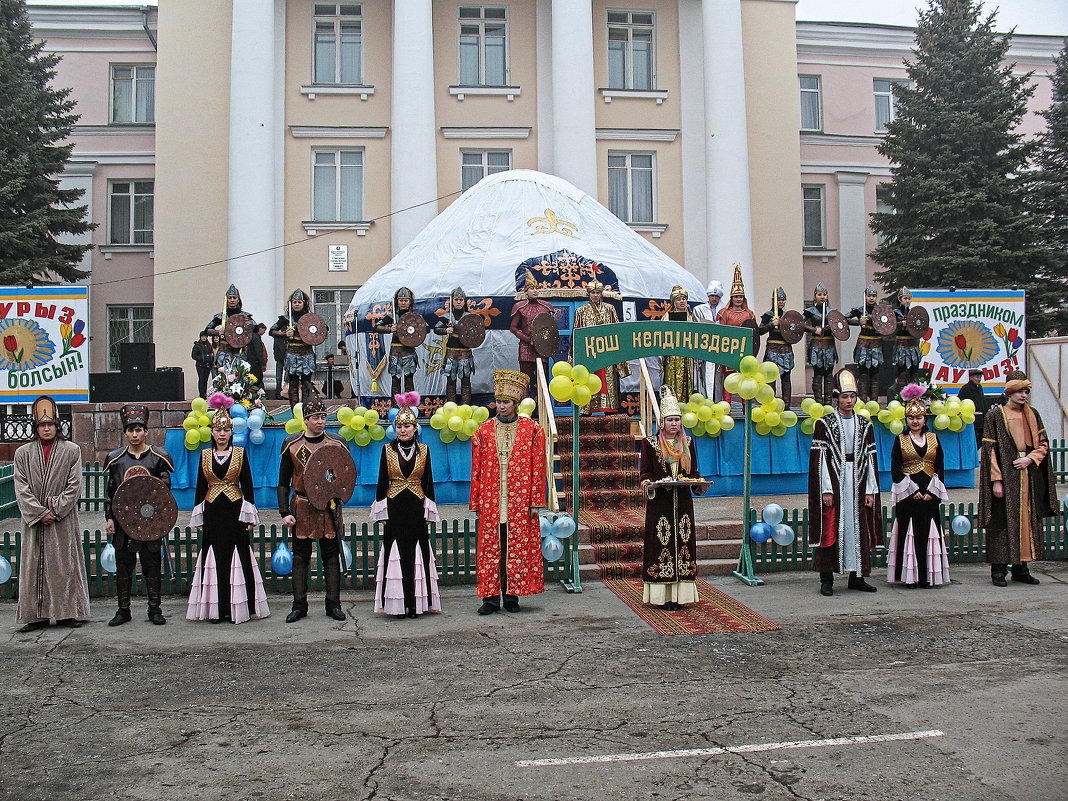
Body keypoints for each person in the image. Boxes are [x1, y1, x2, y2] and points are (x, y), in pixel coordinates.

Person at [470, 369, 547, 614]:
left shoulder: (533, 430)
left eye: (505, 402)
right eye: (498, 402)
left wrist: (536, 500)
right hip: (492, 499)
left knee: (517, 546)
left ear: (515, 404)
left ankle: (512, 597)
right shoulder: (482, 431)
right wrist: (477, 502)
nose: (500, 406)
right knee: (491, 548)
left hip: (520, 499)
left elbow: (538, 467)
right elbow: (477, 470)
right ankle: (490, 599)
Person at [13, 396, 90, 632]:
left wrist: (55, 510)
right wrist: (38, 512)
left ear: (58, 426)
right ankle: (37, 616)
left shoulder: (72, 451)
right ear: (35, 428)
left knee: (64, 565)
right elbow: (21, 486)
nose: (47, 429)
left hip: (62, 519)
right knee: (33, 566)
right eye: (42, 425)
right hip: (35, 521)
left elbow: (74, 485)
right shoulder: (22, 453)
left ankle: (67, 613)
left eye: (51, 425)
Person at [187, 408, 270, 624]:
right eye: (217, 429)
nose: (221, 433)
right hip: (213, 511)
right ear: (212, 432)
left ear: (231, 432)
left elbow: (248, 485)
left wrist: (249, 515)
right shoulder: (205, 455)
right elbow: (199, 486)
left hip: (235, 510)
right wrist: (199, 515)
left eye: (225, 430)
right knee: (214, 556)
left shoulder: (240, 453)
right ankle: (217, 609)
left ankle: (239, 608)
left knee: (237, 555)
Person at [978, 370, 1057, 587]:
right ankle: (999, 571)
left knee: (1027, 521)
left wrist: (1031, 459)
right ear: (1010, 391)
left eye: (1026, 392)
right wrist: (996, 480)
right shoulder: (995, 415)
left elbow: (1043, 443)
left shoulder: (1033, 414)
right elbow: (989, 449)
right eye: (1021, 391)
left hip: (1027, 475)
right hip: (1006, 475)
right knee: (1003, 521)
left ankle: (1022, 569)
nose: (1024, 396)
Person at [807, 368, 882, 596]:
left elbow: (870, 458)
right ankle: (826, 579)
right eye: (845, 397)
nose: (849, 401)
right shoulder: (824, 423)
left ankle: (857, 577)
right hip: (836, 481)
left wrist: (871, 490)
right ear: (835, 398)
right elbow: (820, 460)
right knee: (830, 529)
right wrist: (826, 490)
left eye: (852, 396)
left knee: (859, 527)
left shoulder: (864, 424)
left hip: (857, 481)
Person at [370, 393, 442, 618]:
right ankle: (397, 604)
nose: (402, 430)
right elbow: (382, 481)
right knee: (396, 552)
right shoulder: (387, 450)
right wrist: (381, 510)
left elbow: (428, 481)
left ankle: (416, 604)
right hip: (395, 505)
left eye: (407, 426)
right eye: (399, 426)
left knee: (417, 551)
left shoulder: (425, 450)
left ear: (415, 427)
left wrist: (429, 510)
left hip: (417, 504)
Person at [278, 397, 348, 622]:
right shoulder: (293, 444)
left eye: (323, 417)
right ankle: (299, 606)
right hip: (302, 504)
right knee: (300, 557)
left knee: (330, 555)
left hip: (329, 505)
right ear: (305, 420)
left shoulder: (336, 443)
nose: (320, 421)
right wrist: (284, 512)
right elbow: (283, 481)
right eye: (315, 417)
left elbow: (344, 476)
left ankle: (333, 604)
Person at [104, 404, 175, 626]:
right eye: (130, 430)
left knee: (152, 567)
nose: (135, 434)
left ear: (146, 431)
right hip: (123, 522)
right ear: (125, 433)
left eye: (139, 430)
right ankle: (123, 610)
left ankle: (155, 609)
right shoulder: (115, 460)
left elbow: (164, 494)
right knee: (123, 567)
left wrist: (161, 520)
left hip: (150, 523)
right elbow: (111, 492)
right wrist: (109, 517)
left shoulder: (158, 458)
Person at [639, 386, 709, 610]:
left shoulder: (687, 444)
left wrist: (699, 485)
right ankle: (663, 595)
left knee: (684, 545)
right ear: (662, 422)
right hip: (660, 505)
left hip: (683, 505)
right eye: (670, 419)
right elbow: (645, 474)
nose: (674, 424)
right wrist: (649, 483)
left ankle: (681, 594)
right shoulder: (650, 444)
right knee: (661, 544)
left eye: (677, 419)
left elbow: (693, 474)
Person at [886, 399, 950, 589]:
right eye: (911, 418)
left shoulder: (934, 438)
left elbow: (940, 465)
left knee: (928, 533)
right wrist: (911, 491)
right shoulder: (900, 440)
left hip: (929, 493)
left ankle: (926, 577)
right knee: (910, 533)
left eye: (918, 417)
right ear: (906, 420)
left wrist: (933, 492)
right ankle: (910, 577)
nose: (915, 421)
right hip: (909, 496)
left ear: (925, 419)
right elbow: (896, 468)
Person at [571, 279, 630, 414]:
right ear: (589, 294)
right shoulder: (581, 311)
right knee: (588, 380)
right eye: (593, 293)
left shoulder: (610, 309)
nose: (596, 295)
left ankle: (610, 409)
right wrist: (575, 358)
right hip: (589, 354)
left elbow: (617, 331)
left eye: (598, 292)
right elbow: (576, 334)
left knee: (607, 380)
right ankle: (587, 410)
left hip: (607, 353)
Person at [509, 270, 556, 398]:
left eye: (536, 288)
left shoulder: (546, 307)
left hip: (542, 348)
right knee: (525, 379)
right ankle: (526, 409)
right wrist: (527, 339)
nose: (535, 291)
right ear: (526, 292)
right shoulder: (520, 307)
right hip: (525, 348)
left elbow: (551, 328)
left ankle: (540, 409)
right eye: (532, 289)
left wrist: (544, 342)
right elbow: (513, 328)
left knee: (542, 378)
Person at [270, 289, 319, 410]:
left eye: (299, 302)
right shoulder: (285, 319)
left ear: (304, 303)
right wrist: (284, 334)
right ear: (291, 304)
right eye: (294, 302)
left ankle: (307, 409)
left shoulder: (311, 318)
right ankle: (295, 410)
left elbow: (323, 329)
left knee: (307, 383)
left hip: (307, 353)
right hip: (292, 354)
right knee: (293, 384)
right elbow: (272, 331)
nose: (296, 304)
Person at [716, 265, 758, 404]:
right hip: (729, 351)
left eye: (741, 297)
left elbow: (754, 334)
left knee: (745, 383)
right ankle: (727, 409)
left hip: (745, 354)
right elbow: (721, 333)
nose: (738, 299)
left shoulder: (749, 314)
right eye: (736, 297)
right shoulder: (725, 313)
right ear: (731, 298)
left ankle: (746, 410)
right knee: (729, 382)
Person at [374, 287, 420, 399]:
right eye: (401, 300)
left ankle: (410, 409)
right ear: (397, 302)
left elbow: (425, 329)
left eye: (406, 300)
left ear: (410, 302)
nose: (403, 303)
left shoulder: (414, 317)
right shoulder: (392, 316)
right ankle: (396, 410)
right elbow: (377, 326)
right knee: (395, 382)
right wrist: (390, 329)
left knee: (409, 382)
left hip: (409, 351)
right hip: (396, 352)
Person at [434, 287, 476, 405]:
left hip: (465, 352)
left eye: (461, 300)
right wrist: (446, 330)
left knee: (466, 382)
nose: (458, 302)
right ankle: (451, 407)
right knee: (451, 381)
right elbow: (436, 329)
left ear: (464, 301)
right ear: (452, 301)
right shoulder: (447, 317)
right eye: (456, 299)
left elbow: (476, 332)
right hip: (451, 351)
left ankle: (465, 408)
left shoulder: (470, 317)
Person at [205, 284, 257, 376]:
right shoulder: (220, 317)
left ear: (238, 299)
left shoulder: (244, 316)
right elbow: (207, 330)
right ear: (226, 300)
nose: (232, 300)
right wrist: (218, 332)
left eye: (234, 298)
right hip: (224, 352)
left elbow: (255, 328)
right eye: (230, 298)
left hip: (239, 353)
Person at [846, 284, 884, 403]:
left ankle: (874, 401)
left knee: (875, 375)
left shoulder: (881, 311)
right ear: (865, 296)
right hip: (863, 343)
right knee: (863, 374)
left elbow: (890, 323)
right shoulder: (859, 310)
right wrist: (858, 322)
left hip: (877, 343)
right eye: (869, 296)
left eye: (873, 296)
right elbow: (843, 319)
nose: (871, 298)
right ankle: (862, 401)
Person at [803, 283, 838, 405]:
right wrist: (814, 330)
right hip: (816, 345)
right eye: (819, 294)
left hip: (829, 345)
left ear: (827, 296)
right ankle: (818, 402)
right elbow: (799, 324)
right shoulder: (810, 311)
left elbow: (841, 324)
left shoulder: (832, 312)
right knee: (818, 375)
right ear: (815, 296)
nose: (822, 297)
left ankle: (828, 403)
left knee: (829, 375)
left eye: (824, 294)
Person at [757, 286, 794, 404]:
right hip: (773, 348)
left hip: (786, 348)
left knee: (786, 378)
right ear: (774, 300)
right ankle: (770, 403)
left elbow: (795, 331)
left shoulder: (789, 315)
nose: (781, 302)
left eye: (783, 300)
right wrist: (772, 324)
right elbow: (760, 331)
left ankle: (787, 405)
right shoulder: (768, 315)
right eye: (779, 300)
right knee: (770, 378)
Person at [660, 285, 695, 404]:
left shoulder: (691, 316)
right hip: (673, 355)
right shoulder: (667, 316)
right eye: (679, 299)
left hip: (687, 354)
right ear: (674, 301)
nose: (682, 301)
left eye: (684, 299)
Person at [692, 280, 726, 401]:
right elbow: (695, 329)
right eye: (712, 296)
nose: (714, 298)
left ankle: (718, 403)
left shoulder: (725, 310)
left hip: (720, 349)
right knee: (704, 377)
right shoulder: (699, 309)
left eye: (716, 296)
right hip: (704, 349)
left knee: (719, 379)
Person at [891, 288, 923, 397]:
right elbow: (890, 327)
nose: (907, 301)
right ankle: (901, 398)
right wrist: (901, 324)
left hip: (913, 345)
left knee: (914, 373)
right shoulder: (895, 313)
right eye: (905, 298)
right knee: (902, 374)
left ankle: (914, 398)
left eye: (909, 299)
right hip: (901, 345)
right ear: (900, 299)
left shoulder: (914, 313)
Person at [957, 368, 991, 448]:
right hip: (972, 419)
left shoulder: (979, 387)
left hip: (981, 418)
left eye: (980, 377)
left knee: (981, 439)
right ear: (971, 377)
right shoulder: (966, 388)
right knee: (973, 440)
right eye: (977, 377)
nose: (978, 379)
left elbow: (982, 401)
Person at [269, 310, 290, 400]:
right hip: (280, 359)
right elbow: (276, 347)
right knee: (278, 378)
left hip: (288, 358)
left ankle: (285, 393)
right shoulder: (279, 336)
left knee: (287, 377)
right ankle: (278, 394)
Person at [191, 330, 215, 399]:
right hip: (200, 365)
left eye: (205, 337)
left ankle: (204, 394)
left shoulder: (209, 345)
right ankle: (201, 394)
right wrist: (202, 358)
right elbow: (193, 355)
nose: (204, 338)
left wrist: (211, 357)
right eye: (202, 337)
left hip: (207, 365)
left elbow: (211, 353)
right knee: (201, 379)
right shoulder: (197, 345)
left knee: (205, 380)